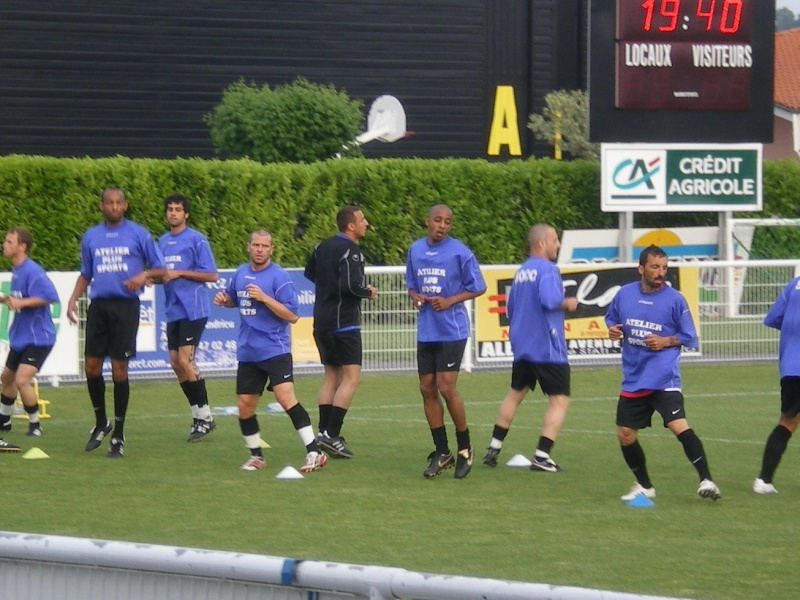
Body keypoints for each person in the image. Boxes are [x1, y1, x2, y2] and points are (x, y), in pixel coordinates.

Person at [605, 244, 721, 501]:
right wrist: (613, 329)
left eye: (664, 267)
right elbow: (612, 319)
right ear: (641, 268)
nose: (661, 272)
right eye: (655, 267)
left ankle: (707, 480)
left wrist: (665, 341)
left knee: (678, 425)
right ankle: (645, 486)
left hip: (663, 377)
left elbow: (689, 336)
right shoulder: (624, 294)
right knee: (625, 434)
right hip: (634, 377)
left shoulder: (675, 300)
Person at [213, 230, 327, 473]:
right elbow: (234, 299)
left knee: (286, 398)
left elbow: (293, 316)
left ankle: (314, 452)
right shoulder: (240, 273)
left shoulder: (279, 277)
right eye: (256, 245)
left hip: (275, 349)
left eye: (265, 246)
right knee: (245, 406)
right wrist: (224, 300)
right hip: (248, 352)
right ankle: (256, 456)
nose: (260, 249)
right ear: (248, 247)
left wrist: (265, 298)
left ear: (271, 249)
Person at [66, 187, 166, 458]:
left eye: (118, 202)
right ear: (101, 206)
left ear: (125, 205)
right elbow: (86, 273)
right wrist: (73, 299)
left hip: (125, 306)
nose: (113, 206)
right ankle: (101, 422)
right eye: (108, 202)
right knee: (91, 366)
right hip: (99, 306)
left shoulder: (139, 233)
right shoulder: (91, 236)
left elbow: (161, 270)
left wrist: (142, 275)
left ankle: (119, 435)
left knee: (120, 371)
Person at [482, 224, 577, 473]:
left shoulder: (521, 272)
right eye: (555, 240)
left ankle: (493, 448)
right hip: (547, 346)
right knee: (559, 399)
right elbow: (548, 301)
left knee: (515, 393)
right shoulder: (548, 270)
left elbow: (510, 309)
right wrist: (567, 302)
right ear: (541, 244)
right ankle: (542, 456)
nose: (557, 245)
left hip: (523, 345)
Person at [406, 205, 486, 479]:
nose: (442, 225)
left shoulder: (460, 252)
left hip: (452, 329)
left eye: (447, 222)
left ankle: (465, 447)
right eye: (438, 220)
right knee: (426, 387)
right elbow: (412, 285)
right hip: (427, 329)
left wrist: (451, 300)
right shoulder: (415, 249)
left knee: (445, 386)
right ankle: (442, 452)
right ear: (427, 221)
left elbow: (479, 286)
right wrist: (415, 295)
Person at [304, 205, 377, 459]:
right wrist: (367, 292)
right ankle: (331, 434)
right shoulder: (351, 251)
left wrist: (328, 287)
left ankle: (323, 432)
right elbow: (350, 286)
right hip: (344, 323)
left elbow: (309, 272)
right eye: (362, 220)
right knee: (352, 378)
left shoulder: (321, 246)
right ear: (350, 226)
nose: (366, 223)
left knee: (331, 377)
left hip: (321, 321)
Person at [151, 194, 219, 442]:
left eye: (178, 209)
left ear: (186, 214)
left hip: (194, 308)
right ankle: (198, 415)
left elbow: (211, 275)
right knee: (175, 363)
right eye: (169, 209)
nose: (173, 213)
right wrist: (152, 277)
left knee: (185, 360)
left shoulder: (196, 239)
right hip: (174, 309)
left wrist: (179, 272)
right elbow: (164, 274)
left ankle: (206, 417)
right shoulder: (163, 240)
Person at [0, 227, 59, 438]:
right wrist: (7, 299)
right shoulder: (17, 271)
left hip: (39, 337)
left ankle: (35, 425)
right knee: (6, 377)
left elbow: (50, 296)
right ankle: (4, 421)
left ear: (22, 246)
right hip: (22, 337)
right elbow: (20, 298)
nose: (4, 245)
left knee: (21, 380)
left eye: (9, 242)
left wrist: (20, 302)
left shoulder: (32, 270)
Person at [753, 274, 800, 494]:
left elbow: (773, 318)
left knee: (787, 422)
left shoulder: (794, 283)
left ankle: (764, 481)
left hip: (790, 367)